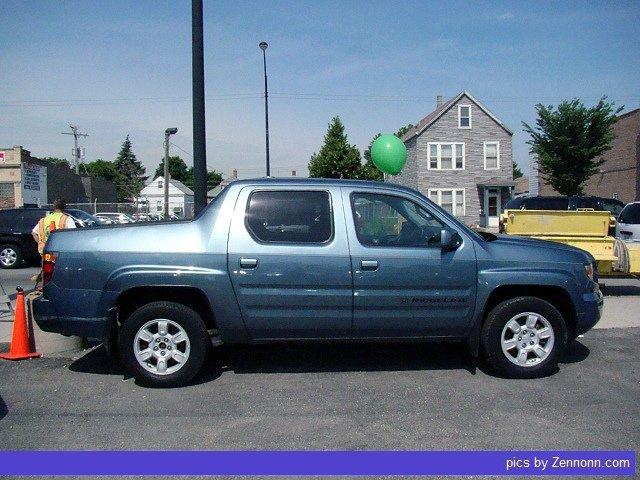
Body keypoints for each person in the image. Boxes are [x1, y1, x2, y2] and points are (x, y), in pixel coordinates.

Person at [31, 199, 76, 285]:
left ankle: (46, 291)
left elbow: (34, 232)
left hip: (47, 252)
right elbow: (73, 234)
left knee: (47, 276)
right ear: (64, 207)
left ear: (54, 207)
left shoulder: (44, 220)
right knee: (62, 276)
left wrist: (41, 242)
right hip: (61, 253)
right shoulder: (66, 219)